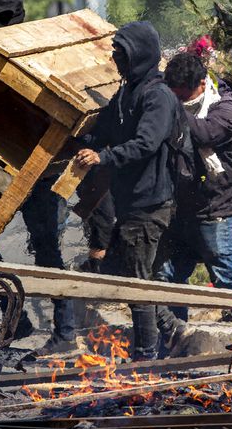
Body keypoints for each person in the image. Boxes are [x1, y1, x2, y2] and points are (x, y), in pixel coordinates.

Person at [0, 0, 78, 354]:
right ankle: (15, 318)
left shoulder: (36, 60)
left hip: (42, 172)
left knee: (48, 252)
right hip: (6, 172)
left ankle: (65, 332)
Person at [75, 21, 179, 361]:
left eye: (121, 54)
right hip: (129, 203)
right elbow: (104, 128)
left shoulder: (158, 96)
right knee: (124, 272)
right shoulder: (126, 93)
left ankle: (146, 357)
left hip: (149, 205)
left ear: (139, 56)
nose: (115, 59)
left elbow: (146, 143)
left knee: (136, 284)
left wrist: (103, 157)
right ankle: (170, 327)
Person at [152, 52, 232, 354]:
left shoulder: (225, 109)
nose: (177, 98)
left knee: (228, 279)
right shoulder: (181, 101)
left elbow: (204, 133)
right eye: (172, 92)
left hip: (219, 211)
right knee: (169, 276)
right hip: (186, 211)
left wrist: (169, 106)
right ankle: (177, 343)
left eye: (182, 94)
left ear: (201, 84)